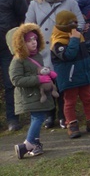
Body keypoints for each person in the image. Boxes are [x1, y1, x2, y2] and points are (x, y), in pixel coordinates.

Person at [25, 0, 85, 129]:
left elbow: (80, 22)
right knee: (47, 83)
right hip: (43, 49)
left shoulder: (71, 2)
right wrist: (32, 42)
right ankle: (49, 115)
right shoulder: (35, 4)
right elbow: (28, 26)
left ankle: (63, 116)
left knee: (62, 82)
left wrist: (71, 35)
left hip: (62, 48)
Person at [50, 10, 90, 138]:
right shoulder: (58, 41)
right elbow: (68, 55)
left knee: (88, 98)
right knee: (70, 101)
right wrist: (74, 40)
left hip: (83, 73)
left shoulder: (78, 35)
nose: (74, 25)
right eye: (71, 23)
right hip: (69, 77)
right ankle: (71, 123)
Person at [10, 24, 55, 159]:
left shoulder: (37, 56)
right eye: (29, 40)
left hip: (38, 94)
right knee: (39, 117)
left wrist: (48, 74)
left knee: (38, 117)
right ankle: (27, 144)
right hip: (29, 95)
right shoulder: (18, 60)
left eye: (35, 39)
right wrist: (38, 79)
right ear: (21, 43)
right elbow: (16, 80)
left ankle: (35, 145)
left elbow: (39, 70)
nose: (33, 42)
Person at [0, 0, 27, 132]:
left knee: (11, 82)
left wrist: (19, 40)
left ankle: (13, 118)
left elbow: (24, 17)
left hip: (8, 45)